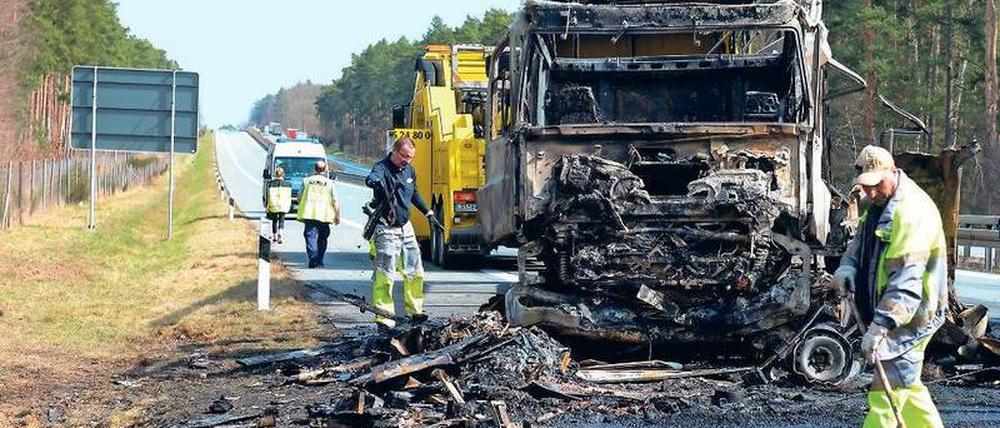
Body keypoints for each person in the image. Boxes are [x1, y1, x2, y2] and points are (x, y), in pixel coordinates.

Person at [832, 145, 948, 428]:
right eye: (865, 187)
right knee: (909, 386)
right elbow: (861, 242)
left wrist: (880, 327)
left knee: (886, 395)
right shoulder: (878, 203)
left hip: (912, 314)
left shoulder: (910, 213)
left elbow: (906, 283)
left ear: (892, 172)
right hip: (895, 313)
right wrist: (848, 265)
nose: (870, 193)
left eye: (876, 185)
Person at [365, 137, 441, 331]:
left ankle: (414, 311)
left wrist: (429, 213)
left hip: (405, 227)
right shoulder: (382, 167)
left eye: (410, 157)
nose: (407, 160)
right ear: (395, 151)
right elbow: (371, 177)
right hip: (386, 227)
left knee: (415, 271)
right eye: (404, 156)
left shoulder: (409, 170)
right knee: (385, 274)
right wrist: (375, 183)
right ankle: (384, 318)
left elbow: (414, 193)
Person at [297, 161, 341, 268]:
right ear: (325, 170)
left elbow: (299, 196)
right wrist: (337, 215)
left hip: (310, 213)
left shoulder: (306, 181)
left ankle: (313, 256)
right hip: (325, 215)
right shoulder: (330, 183)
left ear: (314, 169)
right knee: (323, 237)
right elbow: (335, 200)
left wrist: (302, 203)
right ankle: (320, 258)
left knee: (310, 236)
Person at [264, 167, 291, 244]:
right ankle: (280, 234)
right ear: (283, 174)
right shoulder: (287, 184)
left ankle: (274, 235)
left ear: (275, 174)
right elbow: (288, 196)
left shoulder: (270, 184)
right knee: (282, 220)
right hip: (283, 204)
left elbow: (267, 195)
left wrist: (267, 205)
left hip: (274, 204)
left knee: (274, 220)